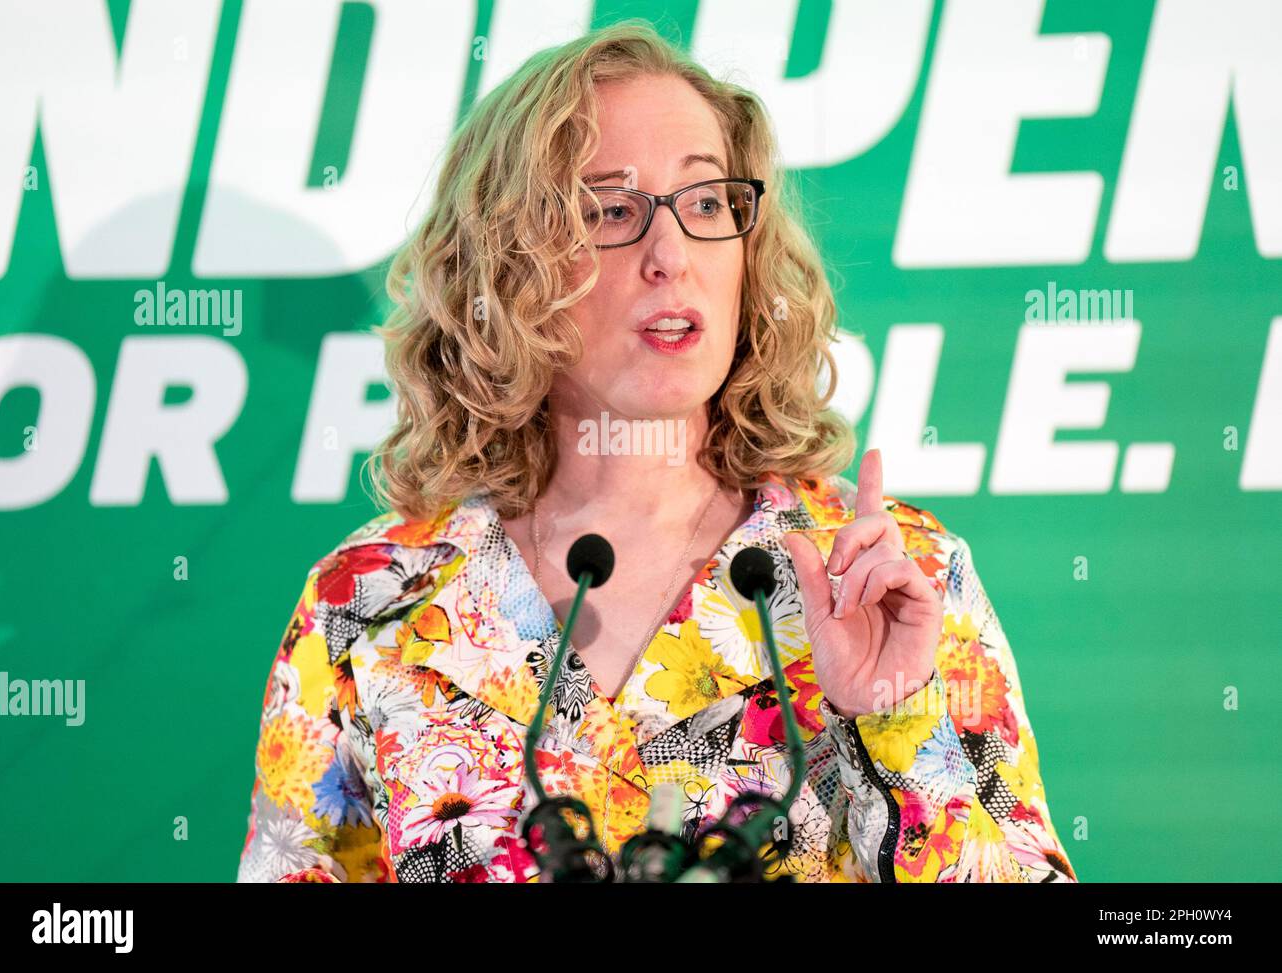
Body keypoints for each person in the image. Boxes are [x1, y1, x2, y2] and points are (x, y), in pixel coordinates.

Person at [236, 20, 1077, 884]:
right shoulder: (369, 604)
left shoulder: (897, 580)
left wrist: (895, 720)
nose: (670, 254)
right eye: (609, 209)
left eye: (706, 202)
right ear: (505, 268)